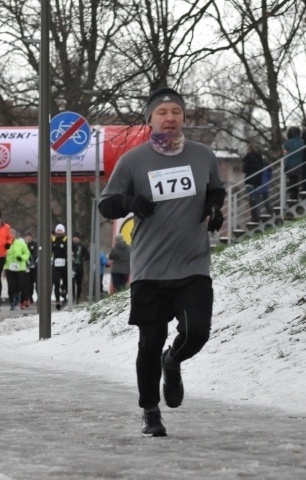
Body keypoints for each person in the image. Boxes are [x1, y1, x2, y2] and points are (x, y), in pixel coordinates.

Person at [98, 86, 225, 437]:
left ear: (184, 118)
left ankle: (175, 361)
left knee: (197, 332)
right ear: (150, 119)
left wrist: (215, 209)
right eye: (162, 113)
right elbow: (106, 205)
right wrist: (131, 202)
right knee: (149, 345)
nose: (170, 118)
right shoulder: (134, 161)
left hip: (193, 264)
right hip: (150, 268)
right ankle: (150, 412)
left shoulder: (202, 156)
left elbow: (216, 189)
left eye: (176, 112)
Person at [3, 229, 30, 310]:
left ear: (15, 235)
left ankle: (17, 296)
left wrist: (21, 257)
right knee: (11, 285)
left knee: (19, 285)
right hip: (9, 267)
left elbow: (27, 253)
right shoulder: (5, 243)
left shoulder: (21, 243)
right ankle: (12, 301)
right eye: (10, 234)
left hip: (20, 267)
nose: (11, 235)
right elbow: (2, 253)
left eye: (13, 233)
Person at [242, 144, 264, 223]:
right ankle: (257, 215)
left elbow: (245, 169)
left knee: (252, 199)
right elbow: (262, 168)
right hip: (257, 180)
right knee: (256, 198)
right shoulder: (259, 157)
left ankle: (254, 217)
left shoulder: (248, 157)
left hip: (250, 180)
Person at [282, 126, 304, 201]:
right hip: (300, 164)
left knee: (291, 180)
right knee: (296, 180)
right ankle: (295, 195)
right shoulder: (302, 141)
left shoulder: (287, 143)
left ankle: (292, 195)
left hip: (289, 164)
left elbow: (284, 153)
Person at [51, 224, 69, 310]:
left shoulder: (66, 239)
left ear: (63, 231)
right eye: (57, 230)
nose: (59, 232)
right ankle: (57, 301)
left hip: (65, 264)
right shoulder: (53, 240)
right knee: (56, 283)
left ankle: (64, 292)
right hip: (55, 264)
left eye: (60, 230)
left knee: (65, 282)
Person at [71, 233, 90, 303]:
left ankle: (77, 298)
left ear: (79, 239)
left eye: (76, 238)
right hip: (71, 267)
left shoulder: (82, 246)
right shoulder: (70, 245)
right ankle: (72, 297)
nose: (75, 239)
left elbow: (88, 256)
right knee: (71, 283)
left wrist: (82, 258)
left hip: (79, 267)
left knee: (79, 284)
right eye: (74, 238)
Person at [24, 232, 38, 307]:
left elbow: (37, 253)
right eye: (27, 237)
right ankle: (29, 297)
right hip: (26, 266)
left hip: (34, 266)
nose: (28, 238)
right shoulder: (23, 244)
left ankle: (37, 297)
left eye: (29, 237)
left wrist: (33, 258)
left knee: (36, 282)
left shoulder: (35, 244)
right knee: (28, 283)